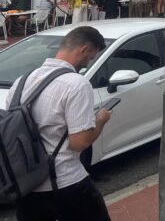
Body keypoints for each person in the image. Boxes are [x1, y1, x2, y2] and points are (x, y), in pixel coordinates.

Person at [5, 26, 113, 220]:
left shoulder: (21, 81)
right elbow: (79, 143)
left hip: (26, 186)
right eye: (90, 57)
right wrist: (100, 120)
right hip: (65, 183)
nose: (88, 63)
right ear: (83, 50)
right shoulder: (76, 84)